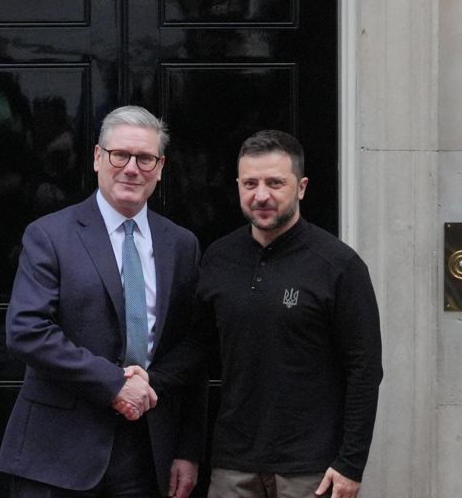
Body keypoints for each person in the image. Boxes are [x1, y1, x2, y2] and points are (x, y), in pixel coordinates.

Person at [143, 129, 383, 498]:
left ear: (301, 187)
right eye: (250, 183)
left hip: (311, 469)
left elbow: (365, 371)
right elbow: (200, 348)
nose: (261, 195)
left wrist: (351, 463)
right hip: (232, 464)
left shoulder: (339, 266)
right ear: (238, 186)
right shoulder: (219, 258)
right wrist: (148, 381)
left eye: (275, 183)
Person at [0, 106, 206, 498]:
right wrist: (114, 384)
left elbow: (192, 350)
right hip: (56, 453)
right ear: (97, 158)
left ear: (160, 167)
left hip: (146, 454)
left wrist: (188, 450)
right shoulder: (50, 235)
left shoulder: (181, 245)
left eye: (145, 158)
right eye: (119, 155)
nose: (131, 168)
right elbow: (27, 331)